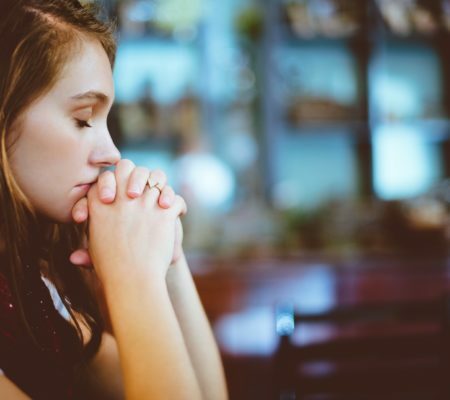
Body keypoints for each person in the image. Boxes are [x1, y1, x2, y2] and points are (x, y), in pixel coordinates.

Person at [0, 0, 228, 399]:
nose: (112, 153)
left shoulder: (27, 288)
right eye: (83, 118)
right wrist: (132, 275)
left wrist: (166, 259)